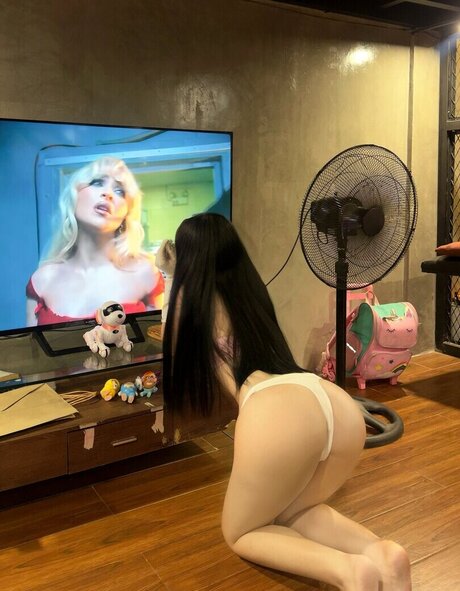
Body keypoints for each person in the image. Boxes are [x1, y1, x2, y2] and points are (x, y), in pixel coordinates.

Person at [159, 213, 411, 591]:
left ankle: (347, 570)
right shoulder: (250, 292)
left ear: (187, 257)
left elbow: (169, 336)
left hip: (274, 410)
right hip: (330, 401)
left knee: (241, 531)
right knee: (295, 511)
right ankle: (381, 553)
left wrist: (168, 276)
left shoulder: (190, 302)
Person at [26, 156, 164, 326]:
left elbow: (160, 342)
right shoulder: (42, 280)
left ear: (126, 214)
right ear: (74, 196)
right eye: (97, 182)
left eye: (119, 191)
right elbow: (31, 344)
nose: (108, 194)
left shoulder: (146, 274)